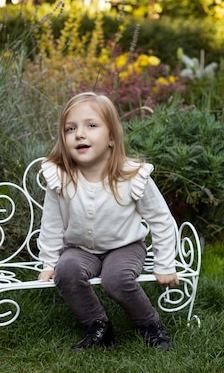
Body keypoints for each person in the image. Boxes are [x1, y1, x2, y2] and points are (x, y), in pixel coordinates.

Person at [37, 92, 179, 352]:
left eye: (91, 125)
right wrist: (48, 262)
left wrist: (165, 263)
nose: (80, 134)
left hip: (125, 247)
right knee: (66, 270)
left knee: (116, 279)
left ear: (112, 137)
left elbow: (161, 220)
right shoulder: (61, 177)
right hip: (80, 249)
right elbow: (52, 223)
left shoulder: (132, 176)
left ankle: (150, 325)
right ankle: (99, 326)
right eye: (71, 128)